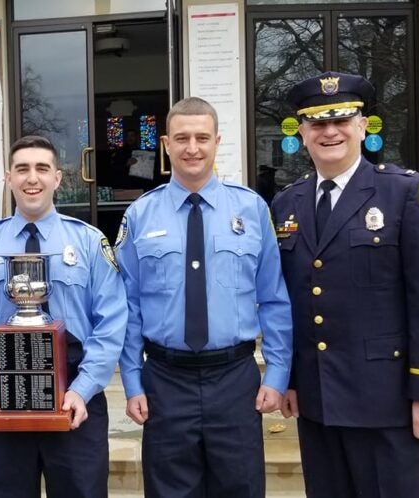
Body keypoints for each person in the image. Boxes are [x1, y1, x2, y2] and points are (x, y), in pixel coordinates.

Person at [271, 72, 419, 498]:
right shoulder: (287, 203)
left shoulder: (405, 193)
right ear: (301, 133)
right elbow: (293, 301)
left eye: (342, 120)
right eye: (317, 123)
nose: (330, 132)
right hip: (318, 401)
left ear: (363, 126)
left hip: (386, 400)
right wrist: (291, 379)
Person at [117, 97, 292, 497]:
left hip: (235, 380)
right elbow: (128, 305)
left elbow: (274, 298)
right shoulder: (140, 216)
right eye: (181, 138)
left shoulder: (251, 209)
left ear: (217, 141)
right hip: (164, 380)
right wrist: (132, 380)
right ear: (165, 143)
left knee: (241, 488)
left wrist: (278, 374)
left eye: (201, 137)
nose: (191, 148)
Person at [0, 135, 127, 497]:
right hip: (3, 392)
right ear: (9, 178)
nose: (31, 178)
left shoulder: (88, 241)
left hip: (75, 393)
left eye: (41, 168)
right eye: (22, 169)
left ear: (57, 178)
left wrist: (83, 390)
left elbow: (111, 322)